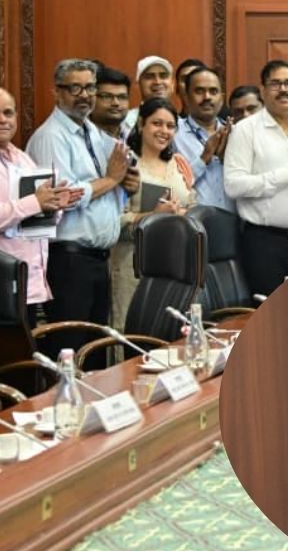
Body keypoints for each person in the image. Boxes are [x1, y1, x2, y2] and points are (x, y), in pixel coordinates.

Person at [26, 59, 135, 357]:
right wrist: (112, 179)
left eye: (90, 87)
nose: (85, 95)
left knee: (95, 351)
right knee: (70, 351)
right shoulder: (51, 136)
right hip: (68, 261)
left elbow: (112, 182)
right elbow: (64, 196)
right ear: (57, 91)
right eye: (75, 88)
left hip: (97, 259)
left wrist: (125, 184)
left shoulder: (92, 132)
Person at [224, 59, 288, 296]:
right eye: (276, 84)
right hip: (264, 243)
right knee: (269, 312)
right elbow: (233, 185)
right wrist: (286, 174)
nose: (283, 89)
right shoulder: (245, 130)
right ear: (263, 90)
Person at [112, 98, 198, 328]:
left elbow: (193, 202)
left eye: (170, 126)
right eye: (157, 123)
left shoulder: (178, 163)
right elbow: (113, 221)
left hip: (175, 263)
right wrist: (153, 216)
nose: (164, 131)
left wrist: (184, 213)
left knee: (168, 330)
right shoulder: (126, 163)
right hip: (133, 264)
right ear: (141, 124)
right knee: (132, 329)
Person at [0, 87, 82, 326]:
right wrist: (36, 202)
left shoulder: (22, 158)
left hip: (27, 283)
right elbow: (28, 205)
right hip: (3, 286)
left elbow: (34, 220)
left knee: (25, 349)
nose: (3, 120)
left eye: (8, 113)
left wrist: (54, 207)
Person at [173, 66, 233, 211]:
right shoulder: (173, 133)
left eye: (213, 91)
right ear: (186, 97)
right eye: (199, 91)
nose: (207, 97)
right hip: (191, 221)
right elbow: (169, 185)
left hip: (233, 220)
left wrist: (228, 160)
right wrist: (205, 157)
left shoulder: (235, 133)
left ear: (221, 98)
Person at [89, 67, 132, 142]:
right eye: (107, 96)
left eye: (122, 97)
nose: (116, 103)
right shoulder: (79, 137)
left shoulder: (134, 135)